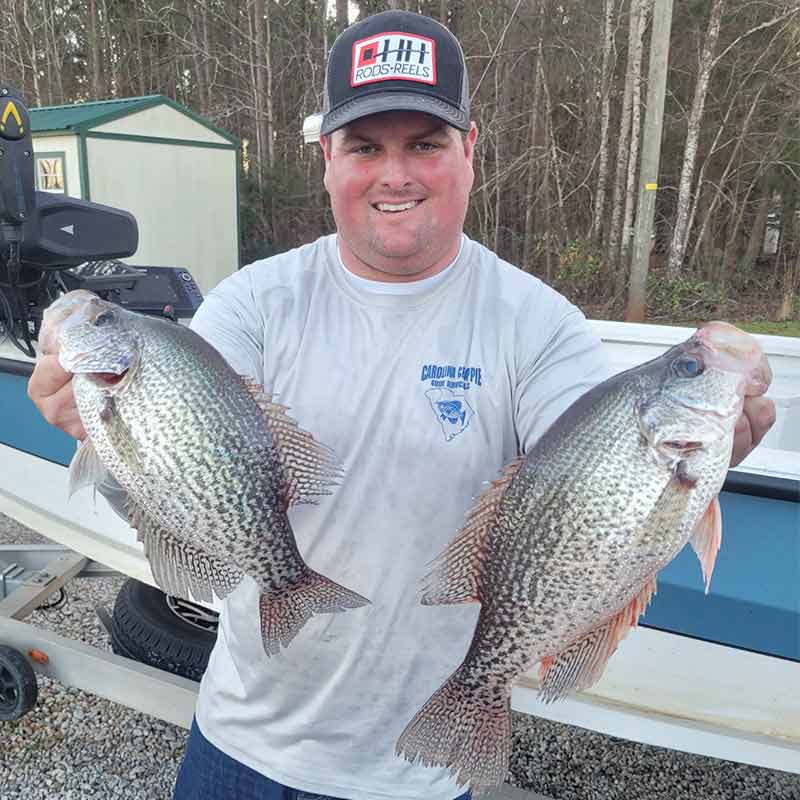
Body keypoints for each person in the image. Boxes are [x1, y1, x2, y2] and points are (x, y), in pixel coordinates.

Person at [27, 10, 775, 800]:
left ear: (471, 153)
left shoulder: (539, 324)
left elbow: (592, 481)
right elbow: (176, 490)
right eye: (364, 146)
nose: (396, 175)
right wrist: (102, 437)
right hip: (242, 742)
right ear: (326, 160)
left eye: (424, 143)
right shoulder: (252, 304)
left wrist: (708, 453)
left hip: (414, 775)